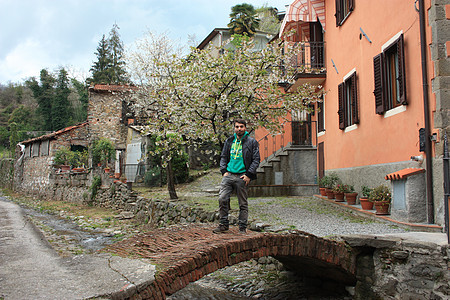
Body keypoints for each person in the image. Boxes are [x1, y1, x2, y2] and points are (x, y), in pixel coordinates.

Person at [213, 119, 260, 234]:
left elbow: (256, 159)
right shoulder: (229, 141)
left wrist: (249, 175)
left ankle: (242, 227)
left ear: (245, 128)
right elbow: (223, 156)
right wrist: (224, 171)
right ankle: (223, 224)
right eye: (237, 127)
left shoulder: (251, 142)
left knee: (242, 203)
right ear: (234, 128)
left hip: (242, 176)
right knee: (222, 198)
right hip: (229, 175)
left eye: (241, 127)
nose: (239, 129)